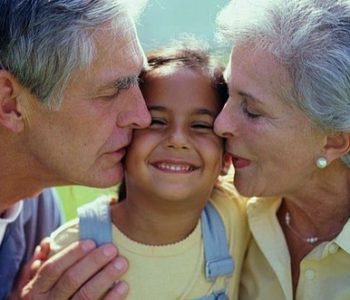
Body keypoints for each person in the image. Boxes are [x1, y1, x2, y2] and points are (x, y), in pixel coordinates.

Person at [49, 42, 250, 300]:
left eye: (200, 125)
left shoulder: (236, 213)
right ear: (123, 142)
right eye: (156, 121)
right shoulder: (74, 250)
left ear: (226, 159)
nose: (177, 139)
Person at [0, 0, 151, 299]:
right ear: (10, 104)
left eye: (138, 83)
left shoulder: (37, 207)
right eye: (110, 92)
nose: (142, 116)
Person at [214, 0, 350, 299]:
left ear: (334, 140)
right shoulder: (219, 213)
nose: (221, 124)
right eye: (227, 93)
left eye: (251, 110)